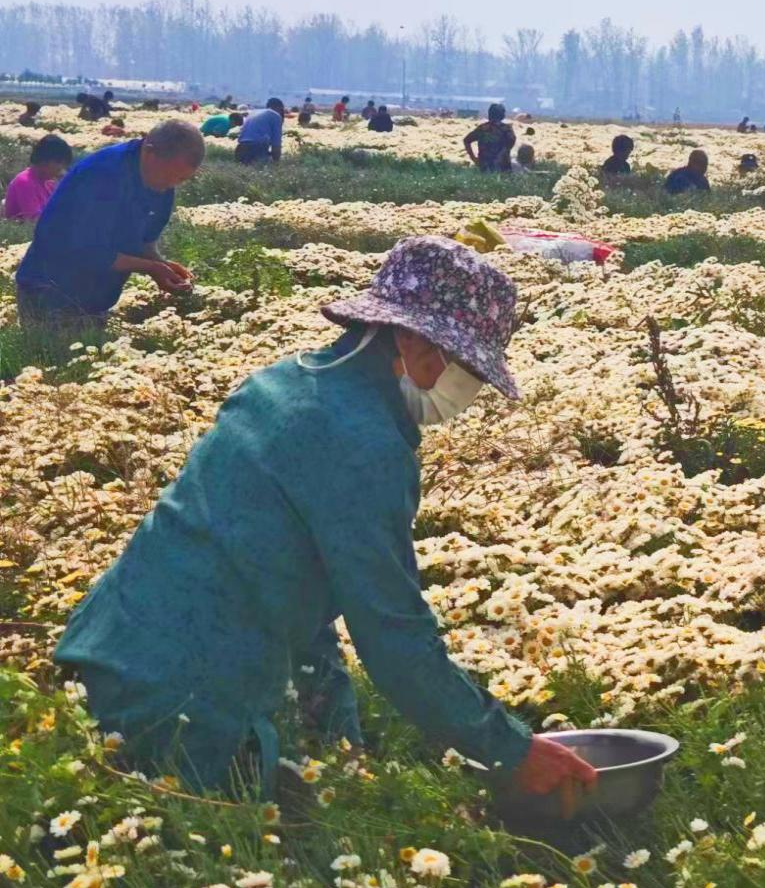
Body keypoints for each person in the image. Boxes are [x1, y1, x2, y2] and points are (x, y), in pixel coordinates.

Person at [53, 236, 600, 806]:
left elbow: (302, 588)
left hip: (102, 657)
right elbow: (393, 633)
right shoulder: (363, 442)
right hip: (177, 709)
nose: (468, 390)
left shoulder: (283, 385)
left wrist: (340, 741)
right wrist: (510, 749)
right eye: (468, 369)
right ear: (412, 340)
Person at [14, 121, 202, 328]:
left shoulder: (162, 185)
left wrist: (162, 266)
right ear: (150, 152)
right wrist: (151, 267)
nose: (172, 184)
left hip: (94, 300)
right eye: (170, 175)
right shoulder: (103, 174)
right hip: (50, 293)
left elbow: (143, 243)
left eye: (182, 179)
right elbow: (89, 251)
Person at [3, 134, 74, 222]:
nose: (61, 168)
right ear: (44, 160)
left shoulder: (49, 184)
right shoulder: (24, 182)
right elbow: (34, 219)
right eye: (58, 162)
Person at [463, 103, 516, 173]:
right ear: (502, 115)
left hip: (484, 166)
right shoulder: (507, 130)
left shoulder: (482, 128)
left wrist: (473, 158)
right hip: (502, 166)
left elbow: (466, 140)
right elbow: (510, 144)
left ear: (489, 114)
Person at [236, 98, 286, 164]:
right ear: (279, 108)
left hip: (240, 150)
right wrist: (276, 162)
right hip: (256, 149)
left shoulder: (253, 113)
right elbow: (276, 146)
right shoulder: (276, 116)